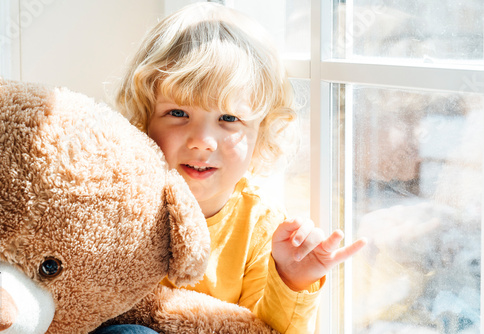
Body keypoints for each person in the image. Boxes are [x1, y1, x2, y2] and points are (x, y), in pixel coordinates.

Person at [95, 2, 366, 334]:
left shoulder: (261, 223)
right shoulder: (117, 200)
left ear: (260, 133)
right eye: (178, 113)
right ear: (145, 119)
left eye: (228, 119)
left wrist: (291, 281)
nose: (203, 141)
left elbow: (266, 330)